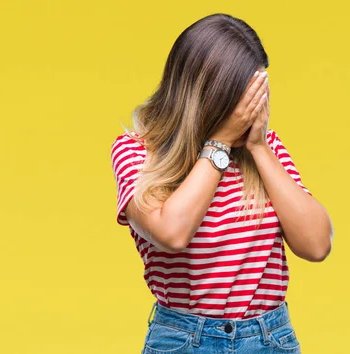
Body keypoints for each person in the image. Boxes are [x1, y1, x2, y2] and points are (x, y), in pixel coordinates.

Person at [109, 13, 333, 354]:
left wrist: (258, 147)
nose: (252, 107)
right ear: (208, 92)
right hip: (183, 340)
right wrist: (219, 144)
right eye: (244, 95)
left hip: (269, 339)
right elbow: (172, 233)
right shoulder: (137, 152)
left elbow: (317, 245)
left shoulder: (266, 151)